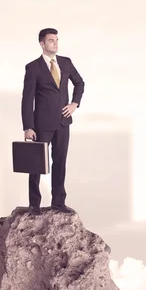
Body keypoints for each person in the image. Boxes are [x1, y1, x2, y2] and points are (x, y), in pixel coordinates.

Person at [21, 28, 85, 214]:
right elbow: (27, 98)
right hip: (41, 124)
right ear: (42, 44)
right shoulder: (33, 68)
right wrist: (28, 127)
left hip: (63, 122)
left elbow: (79, 83)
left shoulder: (66, 62)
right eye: (51, 40)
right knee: (36, 165)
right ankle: (34, 204)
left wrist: (74, 103)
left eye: (56, 40)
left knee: (60, 162)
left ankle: (58, 202)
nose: (55, 43)